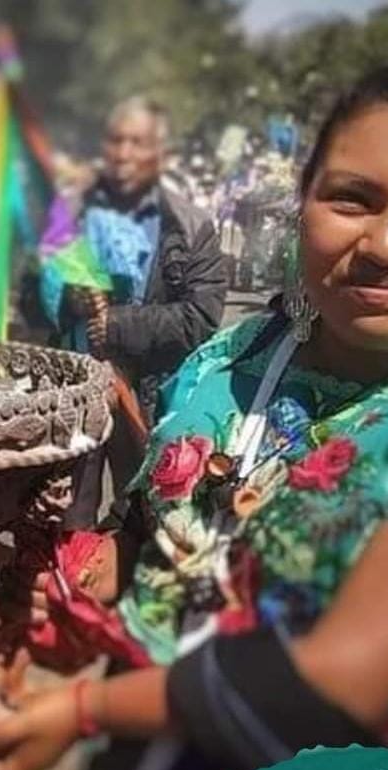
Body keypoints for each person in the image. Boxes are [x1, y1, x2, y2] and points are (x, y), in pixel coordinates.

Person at [0, 65, 388, 770]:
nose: (386, 244)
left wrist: (83, 708)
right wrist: (74, 575)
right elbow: (158, 539)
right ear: (303, 204)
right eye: (352, 199)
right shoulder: (226, 362)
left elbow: (334, 685)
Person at [47, 96, 229, 528]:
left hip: (147, 398)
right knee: (68, 519)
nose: (124, 153)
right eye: (116, 141)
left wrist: (117, 326)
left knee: (144, 515)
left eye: (138, 142)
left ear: (160, 153)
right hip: (76, 396)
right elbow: (30, 300)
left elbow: (201, 318)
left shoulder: (190, 224)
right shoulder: (70, 215)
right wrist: (65, 297)